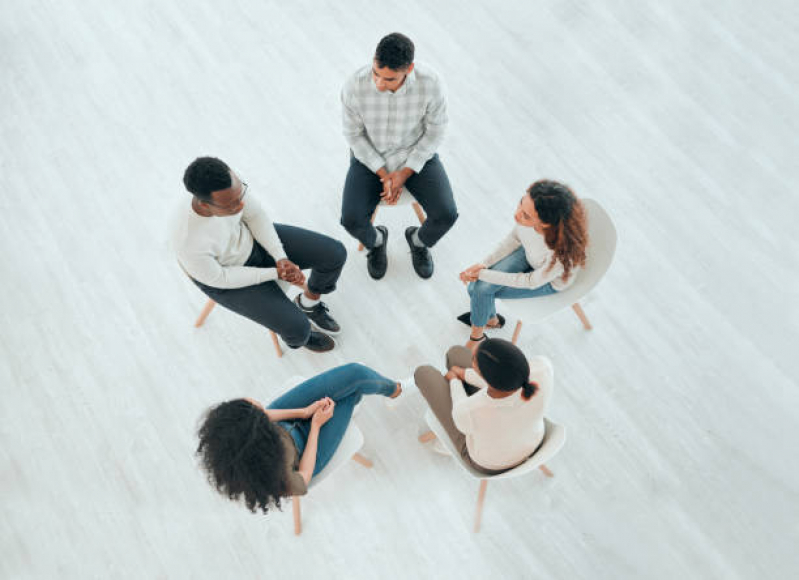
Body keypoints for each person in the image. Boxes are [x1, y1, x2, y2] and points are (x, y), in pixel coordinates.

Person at [174, 156, 346, 353]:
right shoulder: (187, 239)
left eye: (241, 196)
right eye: (232, 204)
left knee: (334, 253)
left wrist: (280, 257)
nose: (240, 206)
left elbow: (255, 216)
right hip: (226, 277)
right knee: (298, 329)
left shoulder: (230, 188)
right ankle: (302, 337)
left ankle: (308, 303)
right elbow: (221, 278)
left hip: (251, 241)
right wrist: (275, 273)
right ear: (205, 205)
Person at [196, 363, 402, 513]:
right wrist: (315, 426)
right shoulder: (271, 476)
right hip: (307, 452)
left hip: (278, 427)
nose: (257, 402)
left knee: (355, 375)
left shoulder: (241, 429)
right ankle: (393, 393)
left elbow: (264, 415)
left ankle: (393, 390)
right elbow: (303, 478)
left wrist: (303, 412)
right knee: (350, 393)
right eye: (255, 407)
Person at [340, 32, 458, 280]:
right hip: (370, 156)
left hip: (415, 154)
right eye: (376, 73)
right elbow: (353, 135)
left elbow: (436, 131)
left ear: (409, 69)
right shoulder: (354, 85)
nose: (379, 84)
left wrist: (404, 173)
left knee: (447, 214)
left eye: (389, 79)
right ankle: (376, 241)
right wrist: (383, 174)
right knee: (350, 220)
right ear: (373, 60)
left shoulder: (431, 83)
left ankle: (418, 240)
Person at [459, 180, 588, 350]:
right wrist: (483, 264)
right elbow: (514, 239)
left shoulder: (561, 254)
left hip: (547, 280)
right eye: (521, 203)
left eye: (526, 216)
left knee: (479, 289)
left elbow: (531, 281)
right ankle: (490, 320)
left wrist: (481, 275)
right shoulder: (528, 219)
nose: (517, 214)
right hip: (529, 254)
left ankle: (477, 338)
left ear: (546, 223)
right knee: (476, 289)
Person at [415, 339, 554, 475]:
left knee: (423, 373)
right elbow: (504, 382)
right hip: (533, 442)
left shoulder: (470, 409)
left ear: (484, 376)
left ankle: (452, 446)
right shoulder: (543, 368)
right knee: (456, 352)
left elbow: (461, 409)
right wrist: (464, 374)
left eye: (474, 359)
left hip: (490, 464)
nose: (472, 357)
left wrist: (454, 380)